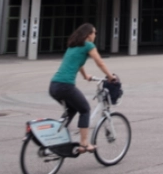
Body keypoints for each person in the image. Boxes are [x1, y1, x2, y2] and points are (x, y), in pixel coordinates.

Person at [49, 23, 116, 153]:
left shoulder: (73, 46)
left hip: (54, 85)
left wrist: (85, 76)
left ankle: (55, 137)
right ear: (88, 34)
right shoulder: (89, 45)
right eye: (94, 33)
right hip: (65, 85)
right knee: (85, 109)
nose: (95, 35)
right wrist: (110, 76)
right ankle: (84, 144)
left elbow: (77, 63)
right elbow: (99, 62)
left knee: (72, 110)